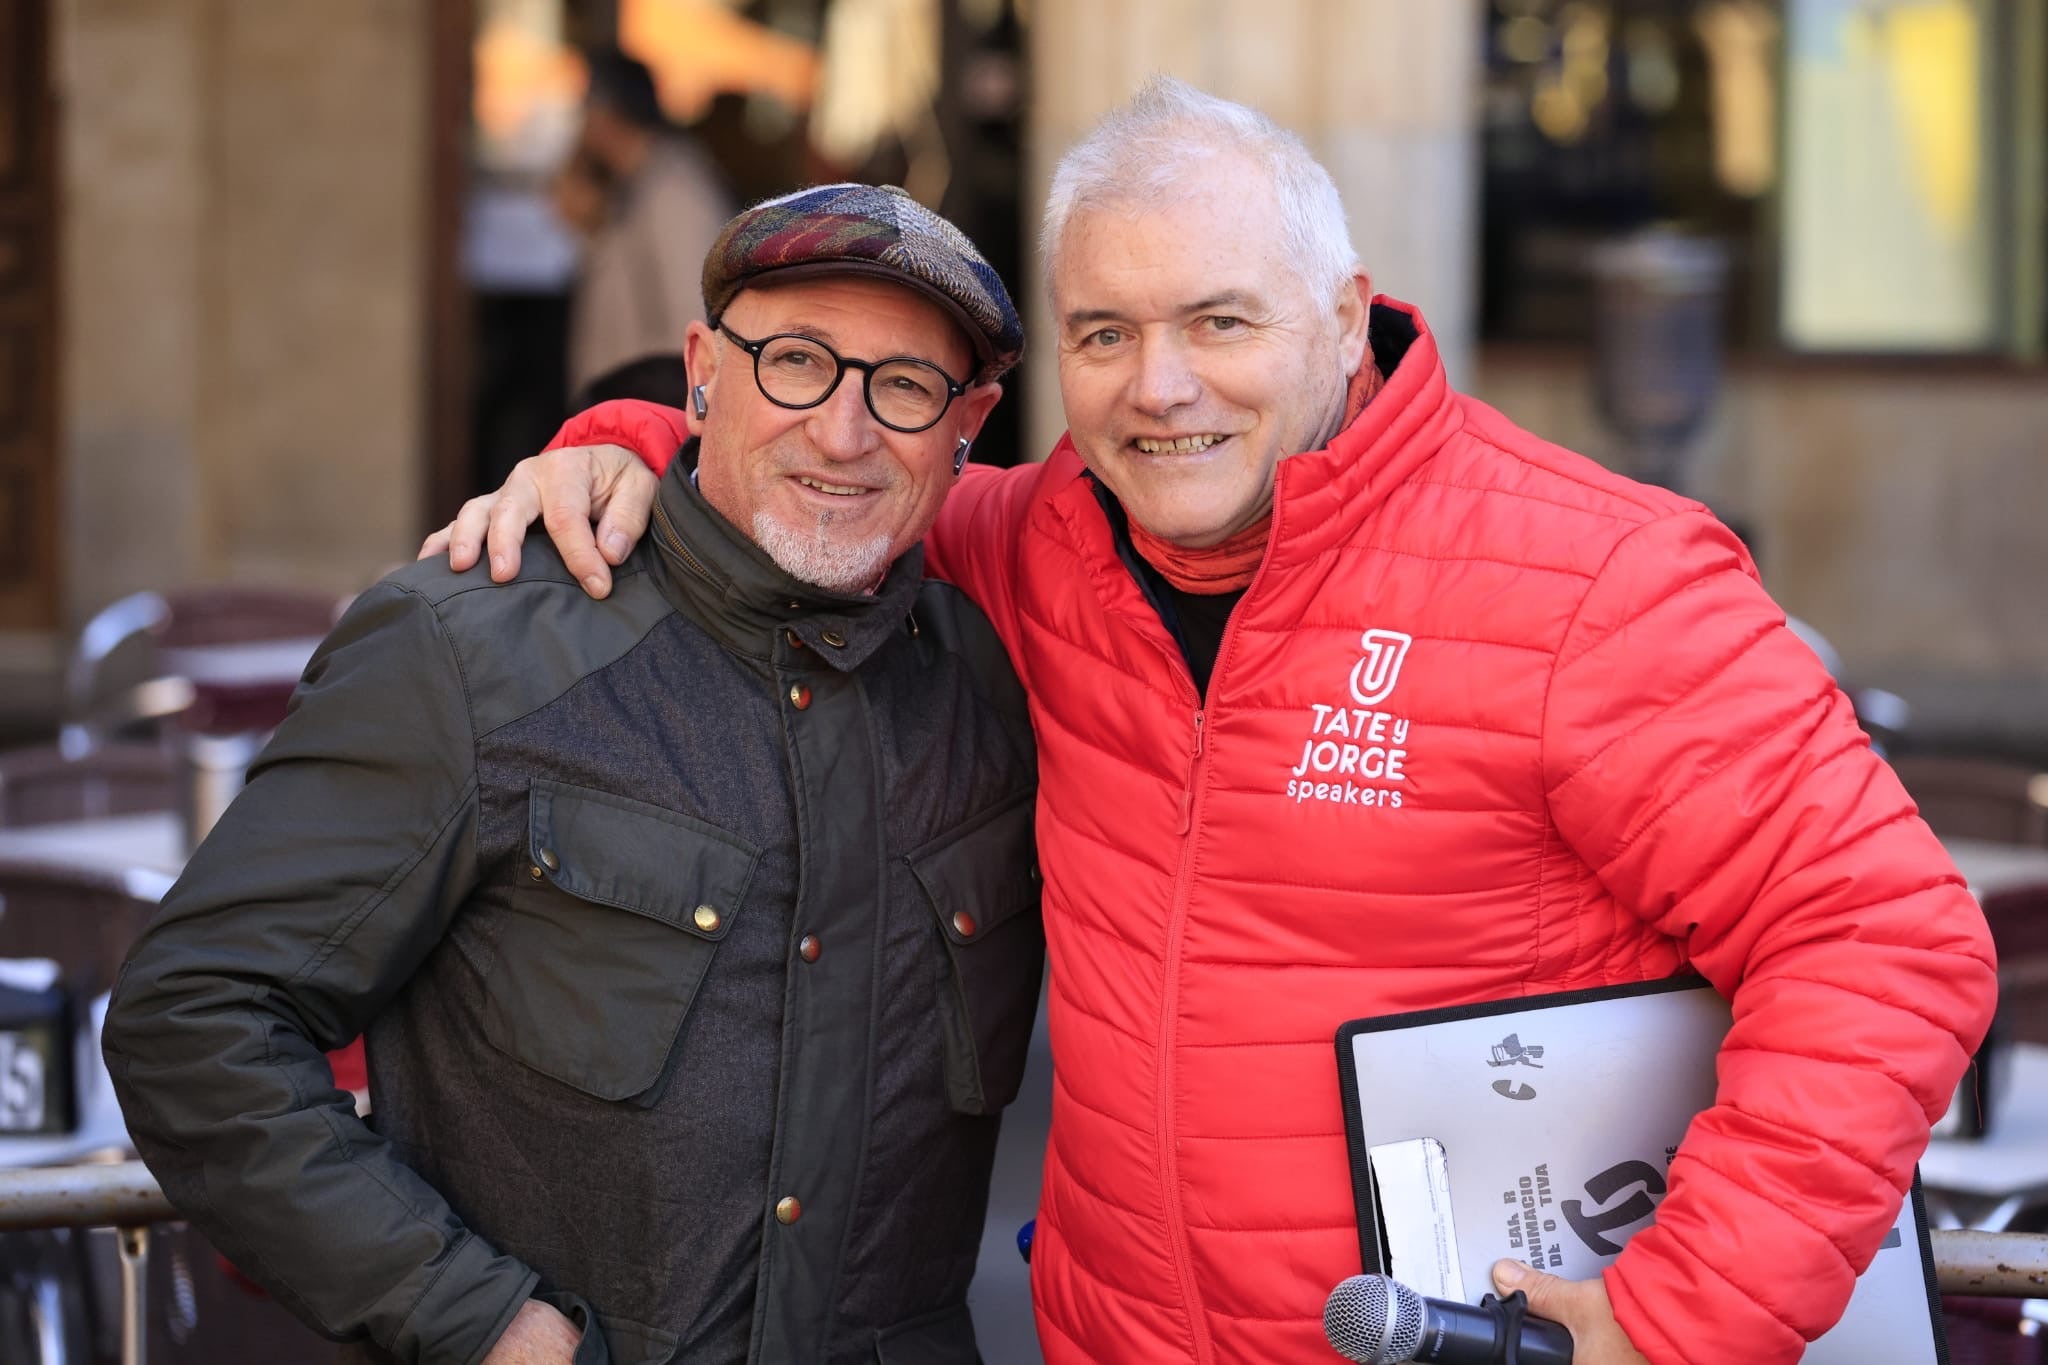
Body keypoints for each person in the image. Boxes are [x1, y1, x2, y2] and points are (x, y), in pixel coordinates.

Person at [436, 81, 1997, 1365]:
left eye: (1220, 323)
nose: (1156, 387)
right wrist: (631, 441)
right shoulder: (1035, 543)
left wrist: (1684, 1317)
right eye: (1103, 333)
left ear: (1343, 315)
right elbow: (842, 483)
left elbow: (1889, 939)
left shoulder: (1591, 576)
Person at [104, 184, 1044, 1365]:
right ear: (703, 369)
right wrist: (480, 1320)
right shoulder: (472, 649)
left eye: (903, 387)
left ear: (970, 423)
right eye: (796, 361)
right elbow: (192, 1016)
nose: (844, 433)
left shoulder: (1005, 689)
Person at [563, 48, 733, 392]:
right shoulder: (635, 184)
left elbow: (693, 313)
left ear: (606, 113)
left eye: (585, 107)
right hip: (625, 407)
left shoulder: (676, 192)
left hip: (655, 411)